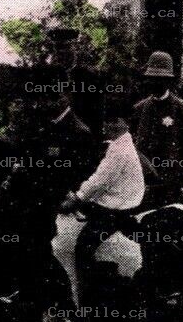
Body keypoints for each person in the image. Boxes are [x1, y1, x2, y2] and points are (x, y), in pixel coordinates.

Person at [60, 96, 147, 271]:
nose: (109, 126)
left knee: (82, 247)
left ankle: (88, 290)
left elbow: (99, 181)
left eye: (115, 121)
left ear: (126, 123)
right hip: (115, 204)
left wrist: (76, 198)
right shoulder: (120, 144)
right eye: (107, 122)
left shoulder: (119, 150)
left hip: (114, 211)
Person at [132, 50, 183, 208]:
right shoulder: (139, 109)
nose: (155, 83)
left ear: (169, 81)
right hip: (142, 183)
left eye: (160, 79)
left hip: (171, 184)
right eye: (152, 79)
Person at [46, 25, 105, 131]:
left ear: (75, 50)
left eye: (69, 49)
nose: (62, 56)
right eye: (59, 53)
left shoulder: (89, 74)